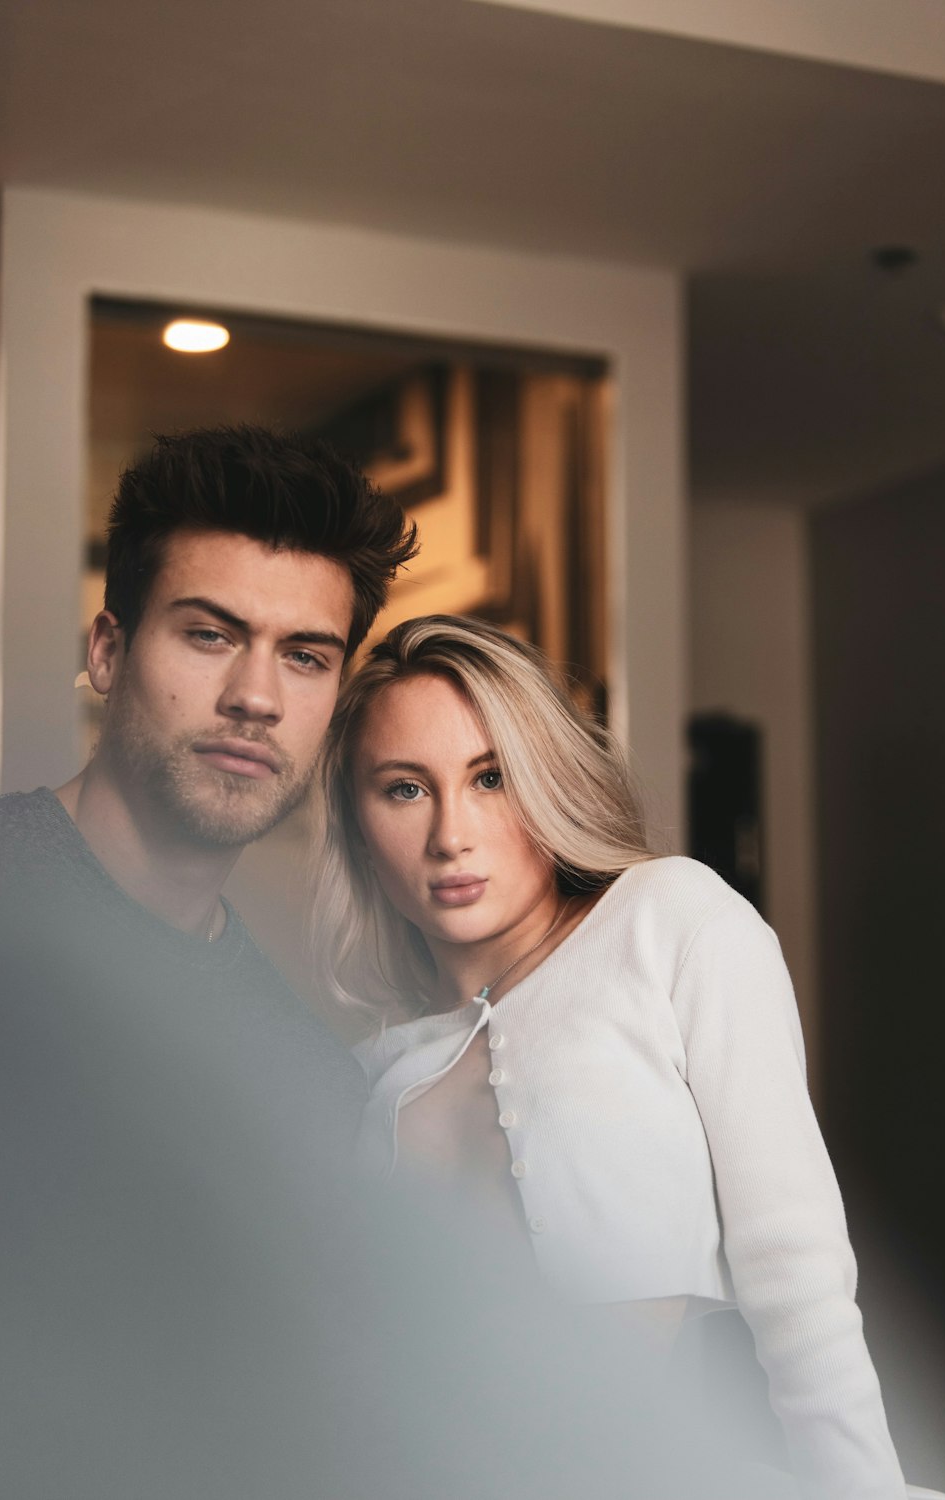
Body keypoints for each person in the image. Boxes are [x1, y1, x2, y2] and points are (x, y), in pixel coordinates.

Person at [315, 613, 910, 1500]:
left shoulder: (670, 920)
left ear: (548, 778)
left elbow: (800, 1275)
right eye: (404, 789)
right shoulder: (375, 1072)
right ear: (358, 824)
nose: (451, 835)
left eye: (491, 777)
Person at [0, 425, 418, 1499]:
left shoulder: (305, 1082)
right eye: (208, 634)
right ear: (106, 651)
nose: (256, 696)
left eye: (306, 656)